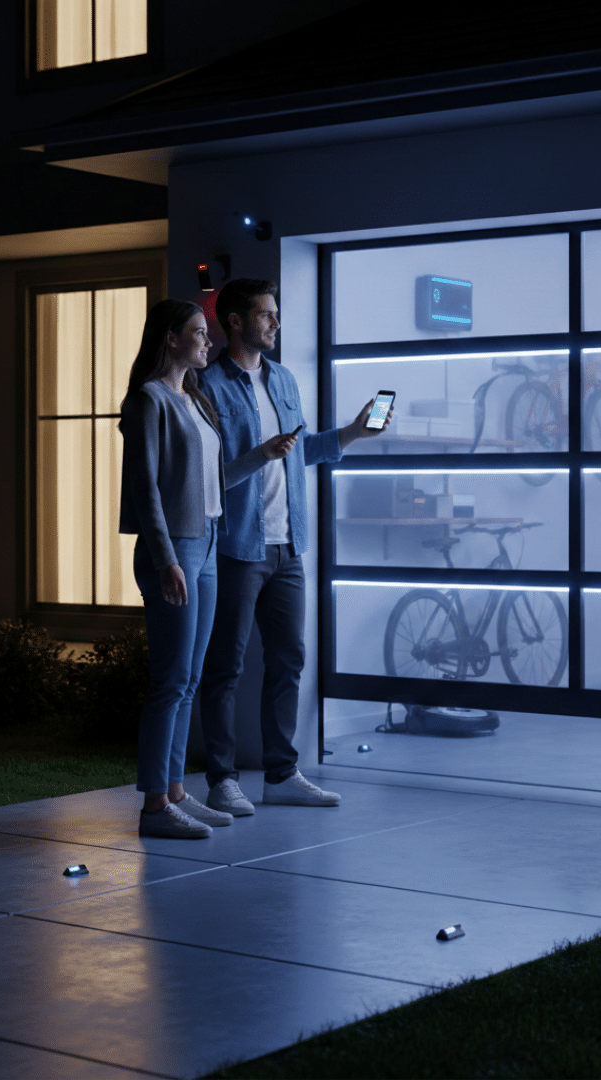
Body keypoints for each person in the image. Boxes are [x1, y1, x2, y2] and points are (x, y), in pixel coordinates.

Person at [198, 279, 390, 816]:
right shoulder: (207, 387)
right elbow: (209, 475)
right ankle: (221, 780)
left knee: (289, 661)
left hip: (288, 547)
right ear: (235, 321)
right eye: (266, 316)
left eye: (276, 316)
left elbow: (298, 451)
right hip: (238, 546)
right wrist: (260, 454)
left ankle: (282, 774)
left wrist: (351, 433)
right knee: (225, 667)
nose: (276, 325)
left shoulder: (283, 379)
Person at [119, 298, 298, 838]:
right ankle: (154, 807)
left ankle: (175, 792)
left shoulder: (193, 399)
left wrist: (262, 456)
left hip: (209, 540)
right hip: (174, 550)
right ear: (170, 339)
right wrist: (167, 558)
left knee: (190, 679)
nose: (208, 340)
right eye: (198, 332)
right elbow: (145, 490)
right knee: (171, 682)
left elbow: (213, 482)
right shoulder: (150, 401)